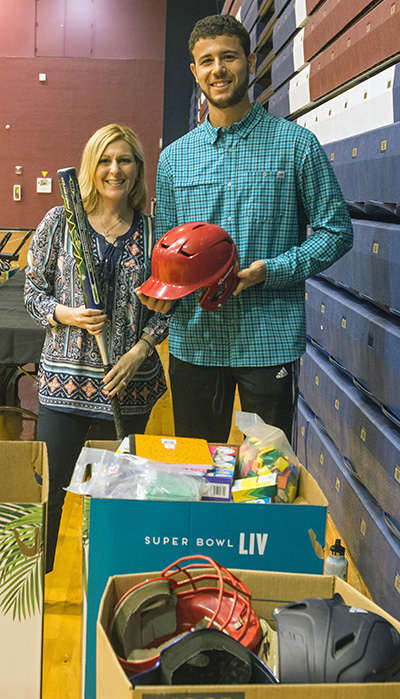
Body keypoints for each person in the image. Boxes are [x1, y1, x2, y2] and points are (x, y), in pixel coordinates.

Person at [136, 14, 353, 445]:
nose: (219, 69)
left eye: (229, 57)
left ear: (250, 61)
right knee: (197, 473)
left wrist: (270, 271)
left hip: (268, 337)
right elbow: (168, 249)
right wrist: (160, 289)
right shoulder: (175, 159)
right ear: (194, 71)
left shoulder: (296, 145)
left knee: (267, 478)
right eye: (208, 60)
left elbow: (336, 230)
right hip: (195, 341)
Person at [24, 124, 169, 572]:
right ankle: (32, 593)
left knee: (120, 501)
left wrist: (140, 351)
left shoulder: (153, 232)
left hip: (129, 388)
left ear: (137, 169)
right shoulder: (58, 223)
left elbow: (167, 308)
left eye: (124, 160)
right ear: (91, 166)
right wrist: (66, 314)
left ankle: (114, 585)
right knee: (48, 496)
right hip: (63, 390)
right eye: (105, 160)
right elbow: (33, 292)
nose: (114, 169)